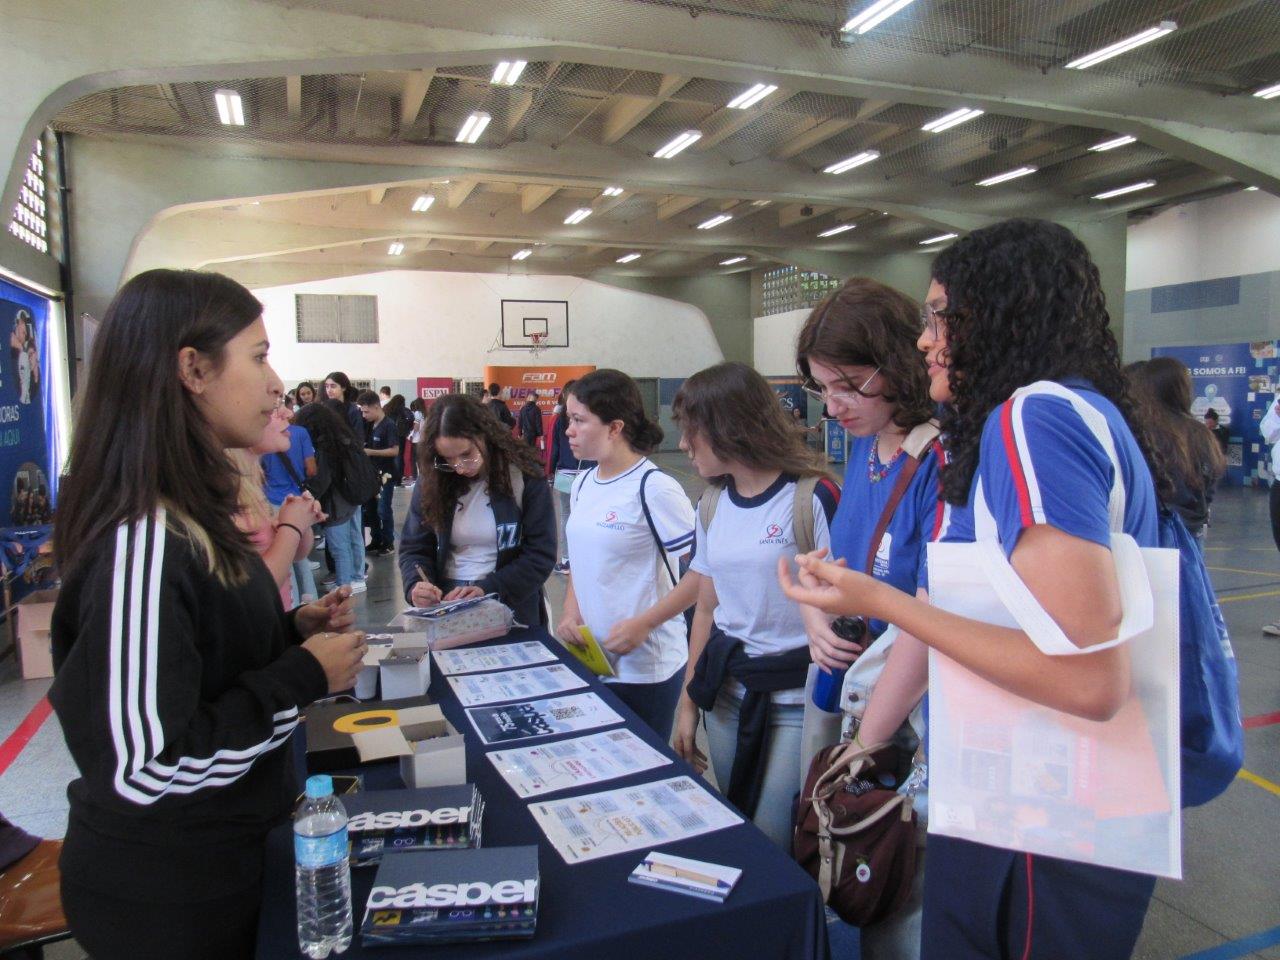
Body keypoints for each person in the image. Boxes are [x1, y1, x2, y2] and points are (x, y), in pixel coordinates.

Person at [779, 219, 1167, 960]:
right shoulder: (1048, 418)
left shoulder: (1033, 417)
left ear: (1000, 313)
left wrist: (884, 604)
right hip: (1045, 800)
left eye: (938, 316)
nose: (927, 339)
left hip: (1045, 805)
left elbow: (1089, 677)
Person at [47, 269, 366, 959]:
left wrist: (290, 634)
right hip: (170, 899)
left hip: (225, 865)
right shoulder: (144, 536)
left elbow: (196, 660)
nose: (276, 382)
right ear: (192, 369)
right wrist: (299, 677)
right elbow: (145, 766)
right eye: (257, 356)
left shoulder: (189, 516)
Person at [794, 277, 942, 959]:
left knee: (894, 898)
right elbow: (846, 570)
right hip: (845, 690)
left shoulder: (938, 460)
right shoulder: (863, 450)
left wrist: (870, 738)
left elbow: (933, 616)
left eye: (850, 384)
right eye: (824, 388)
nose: (835, 405)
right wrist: (812, 618)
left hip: (900, 717)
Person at [669, 362, 839, 849]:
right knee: (739, 822)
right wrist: (688, 702)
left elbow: (846, 612)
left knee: (771, 837)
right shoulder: (712, 503)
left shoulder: (811, 499)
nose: (683, 444)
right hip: (725, 693)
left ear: (729, 427)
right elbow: (706, 609)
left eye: (691, 431)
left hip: (791, 700)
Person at [556, 369, 699, 741]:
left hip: (645, 670)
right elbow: (580, 562)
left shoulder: (655, 489)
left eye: (578, 420)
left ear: (614, 427)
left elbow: (702, 576)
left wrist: (646, 623)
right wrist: (572, 613)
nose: (568, 430)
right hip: (594, 659)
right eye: (567, 419)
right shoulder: (584, 482)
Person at [399, 393, 556, 626]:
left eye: (466, 455)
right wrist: (415, 584)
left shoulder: (523, 475)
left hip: (510, 599)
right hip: (447, 601)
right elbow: (414, 546)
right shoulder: (433, 480)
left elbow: (541, 553)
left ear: (486, 437)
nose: (459, 467)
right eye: (448, 459)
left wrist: (488, 588)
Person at [1127, 358, 1224, 543]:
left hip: (1155, 532)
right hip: (1191, 531)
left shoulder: (1144, 432)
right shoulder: (1201, 433)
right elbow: (1209, 485)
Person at [297, 400, 369, 594]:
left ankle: (344, 584)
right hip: (353, 496)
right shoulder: (343, 437)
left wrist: (307, 493)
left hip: (336, 502)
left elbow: (321, 480)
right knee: (355, 538)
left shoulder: (324, 447)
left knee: (339, 546)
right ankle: (357, 576)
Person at [548, 380, 596, 574]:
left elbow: (555, 448)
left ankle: (569, 560)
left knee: (567, 515)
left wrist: (550, 469)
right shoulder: (566, 420)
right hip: (582, 472)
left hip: (573, 472)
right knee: (583, 515)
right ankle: (576, 558)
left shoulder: (559, 419)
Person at [357, 389, 399, 556]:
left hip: (386, 475)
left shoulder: (389, 426)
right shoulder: (367, 425)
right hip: (370, 474)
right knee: (371, 509)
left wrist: (371, 452)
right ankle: (376, 540)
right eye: (362, 411)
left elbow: (394, 451)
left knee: (383, 509)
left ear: (376, 407)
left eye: (366, 411)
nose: (364, 415)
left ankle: (388, 542)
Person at [323, 370, 364, 436]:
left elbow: (358, 436)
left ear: (343, 387)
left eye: (333, 386)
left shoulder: (353, 410)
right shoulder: (323, 408)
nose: (329, 390)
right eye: (327, 386)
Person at [406, 397, 426, 484]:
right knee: (421, 459)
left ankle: (415, 479)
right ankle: (423, 477)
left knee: (414, 459)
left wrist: (411, 435)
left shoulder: (417, 413)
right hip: (424, 439)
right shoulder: (426, 413)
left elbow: (416, 427)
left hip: (416, 439)